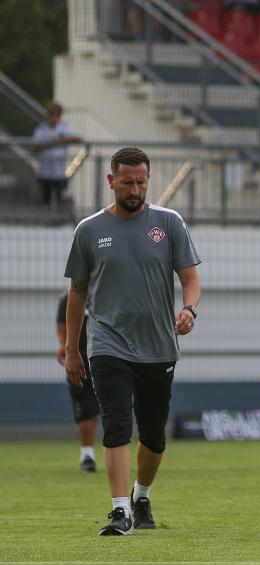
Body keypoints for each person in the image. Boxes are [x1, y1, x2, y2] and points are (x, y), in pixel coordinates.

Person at [64, 147, 201, 535]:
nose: (135, 189)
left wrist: (190, 310)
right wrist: (74, 350)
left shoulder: (169, 223)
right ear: (111, 181)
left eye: (141, 182)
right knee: (118, 425)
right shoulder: (88, 230)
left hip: (158, 346)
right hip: (107, 343)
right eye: (127, 183)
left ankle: (141, 496)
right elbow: (77, 291)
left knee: (154, 435)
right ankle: (120, 510)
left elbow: (190, 278)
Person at [56, 293, 100, 473]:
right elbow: (61, 325)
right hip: (80, 360)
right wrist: (64, 346)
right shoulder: (68, 299)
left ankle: (118, 452)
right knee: (85, 408)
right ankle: (87, 455)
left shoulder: (110, 292)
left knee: (116, 407)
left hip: (110, 358)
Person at [32, 102, 82, 207]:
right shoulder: (41, 129)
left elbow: (79, 139)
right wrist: (51, 143)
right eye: (51, 115)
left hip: (59, 173)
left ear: (58, 116)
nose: (53, 119)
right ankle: (46, 221)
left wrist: (63, 139)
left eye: (56, 115)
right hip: (44, 172)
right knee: (46, 200)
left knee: (61, 200)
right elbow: (35, 147)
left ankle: (59, 221)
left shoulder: (65, 127)